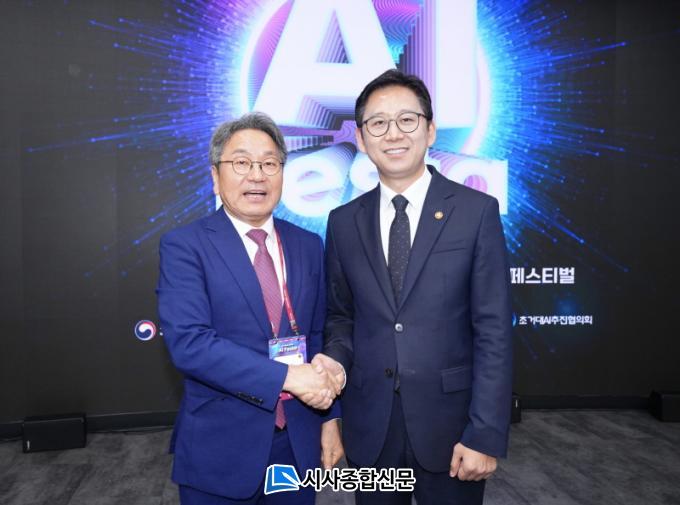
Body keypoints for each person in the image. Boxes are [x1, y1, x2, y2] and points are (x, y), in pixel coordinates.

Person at [316, 69, 513, 504]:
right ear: (361, 139)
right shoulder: (343, 222)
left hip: (453, 429)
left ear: (430, 130)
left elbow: (494, 331)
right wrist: (333, 368)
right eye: (378, 123)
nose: (393, 134)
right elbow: (341, 316)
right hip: (370, 427)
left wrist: (484, 433)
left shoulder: (476, 212)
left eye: (407, 119)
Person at [157, 112, 343, 505]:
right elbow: (190, 344)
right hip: (221, 446)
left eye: (269, 163)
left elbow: (316, 336)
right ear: (215, 176)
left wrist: (330, 419)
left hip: (297, 441)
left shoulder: (308, 245)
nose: (257, 176)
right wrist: (287, 377)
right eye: (241, 162)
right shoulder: (185, 246)